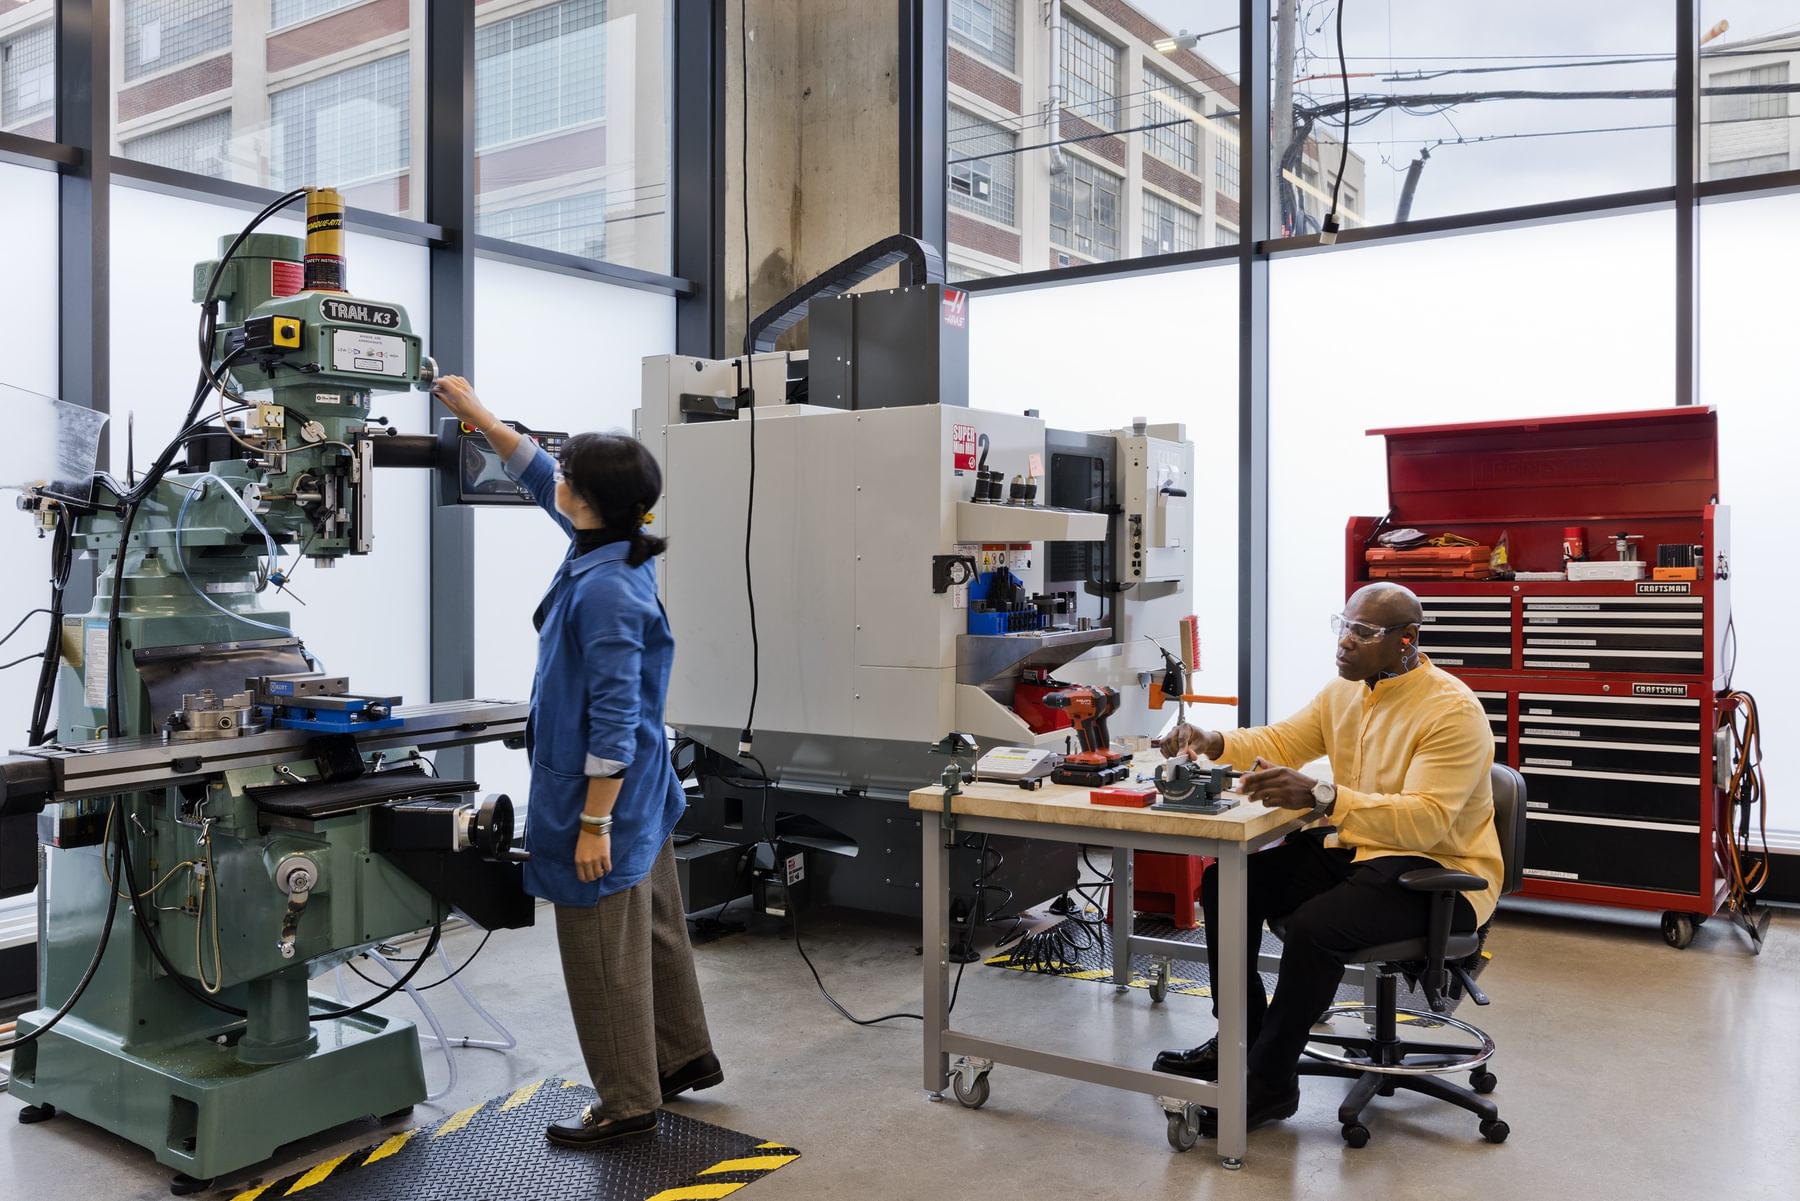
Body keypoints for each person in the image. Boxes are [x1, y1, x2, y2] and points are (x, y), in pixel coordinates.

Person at [433, 377, 720, 1149]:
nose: (552, 480)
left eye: (566, 476)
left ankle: (627, 1101)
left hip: (606, 798)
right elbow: (536, 476)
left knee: (600, 954)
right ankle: (679, 1055)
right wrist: (478, 415)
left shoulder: (607, 593)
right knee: (655, 926)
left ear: (588, 499)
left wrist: (592, 823)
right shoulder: (612, 544)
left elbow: (615, 722)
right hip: (643, 794)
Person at [1151, 581, 1502, 1138]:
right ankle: (1240, 1039)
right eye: (1342, 625)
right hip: (1360, 848)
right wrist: (1211, 738)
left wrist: (1324, 797)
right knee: (1227, 885)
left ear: (1407, 640)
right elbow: (1283, 740)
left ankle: (1269, 1086)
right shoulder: (1347, 693)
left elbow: (1427, 819)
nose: (1345, 642)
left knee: (1316, 928)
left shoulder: (1451, 710)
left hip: (1439, 872)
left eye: (1363, 632)